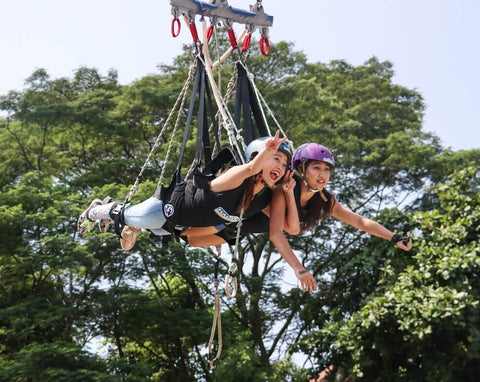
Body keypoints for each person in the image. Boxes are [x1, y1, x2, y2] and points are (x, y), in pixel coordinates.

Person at [77, 131, 291, 250]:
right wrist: (269, 149)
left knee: (133, 234)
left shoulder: (260, 200)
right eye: (276, 159)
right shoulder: (234, 177)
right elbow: (253, 168)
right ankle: (95, 210)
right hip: (163, 210)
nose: (280, 167)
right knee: (127, 216)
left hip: (174, 226)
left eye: (284, 164)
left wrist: (291, 191)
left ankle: (124, 222)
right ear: (257, 156)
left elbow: (289, 226)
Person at [268, 142, 413, 292]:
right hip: (249, 219)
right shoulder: (284, 189)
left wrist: (394, 238)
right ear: (300, 168)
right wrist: (299, 269)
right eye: (316, 167)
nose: (322, 174)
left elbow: (359, 221)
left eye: (327, 169)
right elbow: (275, 233)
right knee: (293, 229)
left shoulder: (324, 199)